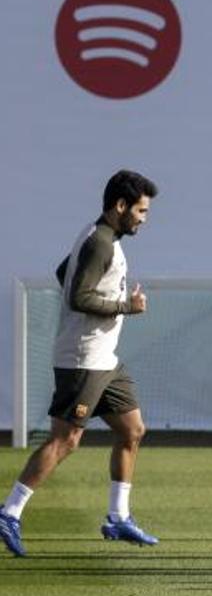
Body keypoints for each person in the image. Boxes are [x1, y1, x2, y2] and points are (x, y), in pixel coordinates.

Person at [1, 170, 159, 557]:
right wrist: (126, 307)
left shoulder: (103, 238)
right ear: (120, 206)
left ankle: (118, 517)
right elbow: (77, 297)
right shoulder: (100, 244)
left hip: (105, 359)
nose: (144, 218)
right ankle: (9, 513)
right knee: (66, 440)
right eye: (140, 210)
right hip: (84, 360)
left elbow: (64, 274)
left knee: (133, 429)